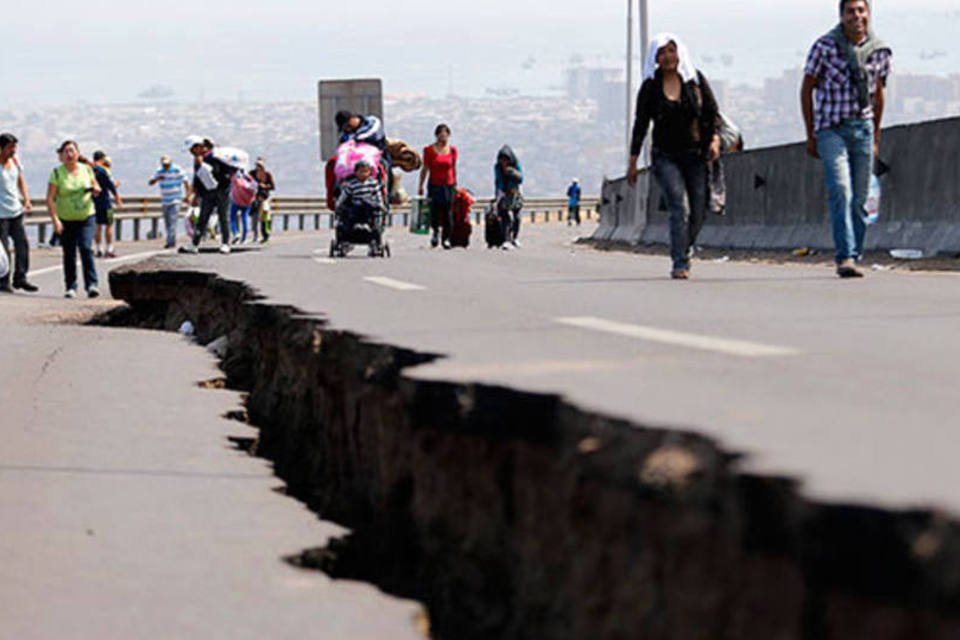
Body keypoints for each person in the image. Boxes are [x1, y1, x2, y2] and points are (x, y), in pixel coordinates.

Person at [801, 0, 892, 278]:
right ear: (842, 16)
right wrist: (811, 132)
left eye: (861, 11)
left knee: (861, 198)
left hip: (862, 129)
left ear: (869, 14)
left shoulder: (879, 51)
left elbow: (879, 94)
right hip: (831, 129)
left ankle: (855, 252)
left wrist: (875, 134)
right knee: (841, 189)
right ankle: (846, 257)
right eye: (851, 11)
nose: (857, 16)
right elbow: (807, 90)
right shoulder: (825, 47)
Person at [627, 34, 721, 280]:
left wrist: (713, 140)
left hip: (695, 154)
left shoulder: (695, 81)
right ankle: (679, 261)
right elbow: (641, 124)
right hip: (665, 156)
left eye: (671, 51)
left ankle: (685, 246)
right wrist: (633, 160)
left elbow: (712, 112)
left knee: (699, 210)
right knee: (679, 206)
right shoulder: (650, 87)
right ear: (655, 58)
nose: (667, 56)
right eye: (662, 52)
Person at [46, 140, 101, 298]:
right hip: (66, 218)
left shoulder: (87, 170)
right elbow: (50, 199)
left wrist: (96, 189)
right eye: (66, 152)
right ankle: (71, 286)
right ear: (61, 156)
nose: (69, 154)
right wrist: (55, 220)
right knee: (69, 252)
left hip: (86, 216)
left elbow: (96, 186)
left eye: (72, 151)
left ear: (78, 153)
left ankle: (92, 284)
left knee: (85, 247)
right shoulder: (57, 173)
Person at [180, 136, 234, 254]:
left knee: (223, 217)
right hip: (207, 193)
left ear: (198, 147)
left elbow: (219, 174)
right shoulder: (198, 159)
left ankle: (225, 243)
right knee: (202, 219)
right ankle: (194, 244)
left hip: (221, 191)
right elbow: (197, 179)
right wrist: (195, 195)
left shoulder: (215, 156)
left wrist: (204, 166)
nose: (191, 152)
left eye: (192, 149)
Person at [0, 133, 37, 293]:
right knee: (3, 249)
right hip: (0, 214)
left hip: (15, 210)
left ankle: (20, 278)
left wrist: (26, 199)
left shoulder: (15, 161)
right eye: (10, 147)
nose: (13, 150)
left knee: (22, 245)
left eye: (15, 147)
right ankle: (3, 280)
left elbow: (20, 180)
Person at [418, 124, 458, 249]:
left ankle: (446, 238)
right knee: (435, 211)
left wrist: (455, 183)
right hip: (434, 184)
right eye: (441, 134)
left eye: (445, 134)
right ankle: (435, 232)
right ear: (437, 135)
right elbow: (425, 168)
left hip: (449, 185)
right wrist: (421, 184)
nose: (443, 136)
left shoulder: (452, 150)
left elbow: (453, 167)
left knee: (448, 212)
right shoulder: (429, 150)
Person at [149, 155, 190, 249]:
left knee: (172, 220)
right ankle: (170, 240)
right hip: (165, 200)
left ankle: (171, 242)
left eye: (167, 164)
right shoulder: (159, 171)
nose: (165, 166)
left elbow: (186, 181)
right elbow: (151, 182)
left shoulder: (177, 170)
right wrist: (158, 178)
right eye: (164, 165)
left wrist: (188, 195)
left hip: (175, 199)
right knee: (167, 222)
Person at [91, 150, 123, 258]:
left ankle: (98, 248)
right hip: (106, 202)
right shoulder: (103, 171)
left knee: (98, 226)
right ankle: (109, 248)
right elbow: (110, 185)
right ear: (102, 158)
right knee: (109, 224)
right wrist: (117, 196)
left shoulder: (89, 170)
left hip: (94, 203)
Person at [494, 146, 524, 248]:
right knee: (505, 218)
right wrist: (499, 195)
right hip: (503, 194)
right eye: (502, 160)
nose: (504, 162)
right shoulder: (498, 167)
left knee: (517, 217)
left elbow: (521, 179)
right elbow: (498, 182)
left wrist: (511, 172)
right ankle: (506, 239)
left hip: (515, 193)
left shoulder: (515, 165)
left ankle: (515, 237)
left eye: (506, 160)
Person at [250, 158, 275, 244]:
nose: (258, 167)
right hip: (254, 198)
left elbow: (272, 186)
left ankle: (265, 235)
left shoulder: (267, 175)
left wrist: (264, 186)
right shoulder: (252, 174)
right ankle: (255, 235)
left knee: (264, 218)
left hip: (264, 198)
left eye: (260, 166)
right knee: (254, 217)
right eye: (257, 165)